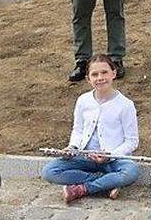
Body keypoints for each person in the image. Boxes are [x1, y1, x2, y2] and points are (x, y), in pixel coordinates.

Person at [40, 54, 141, 204]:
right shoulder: (83, 100)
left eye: (104, 72)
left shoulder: (126, 105)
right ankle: (106, 183)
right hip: (85, 157)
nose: (100, 78)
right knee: (49, 171)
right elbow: (78, 129)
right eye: (95, 74)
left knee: (131, 172)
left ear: (114, 73)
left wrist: (110, 155)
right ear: (88, 79)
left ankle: (83, 188)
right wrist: (72, 147)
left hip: (113, 160)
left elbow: (132, 141)